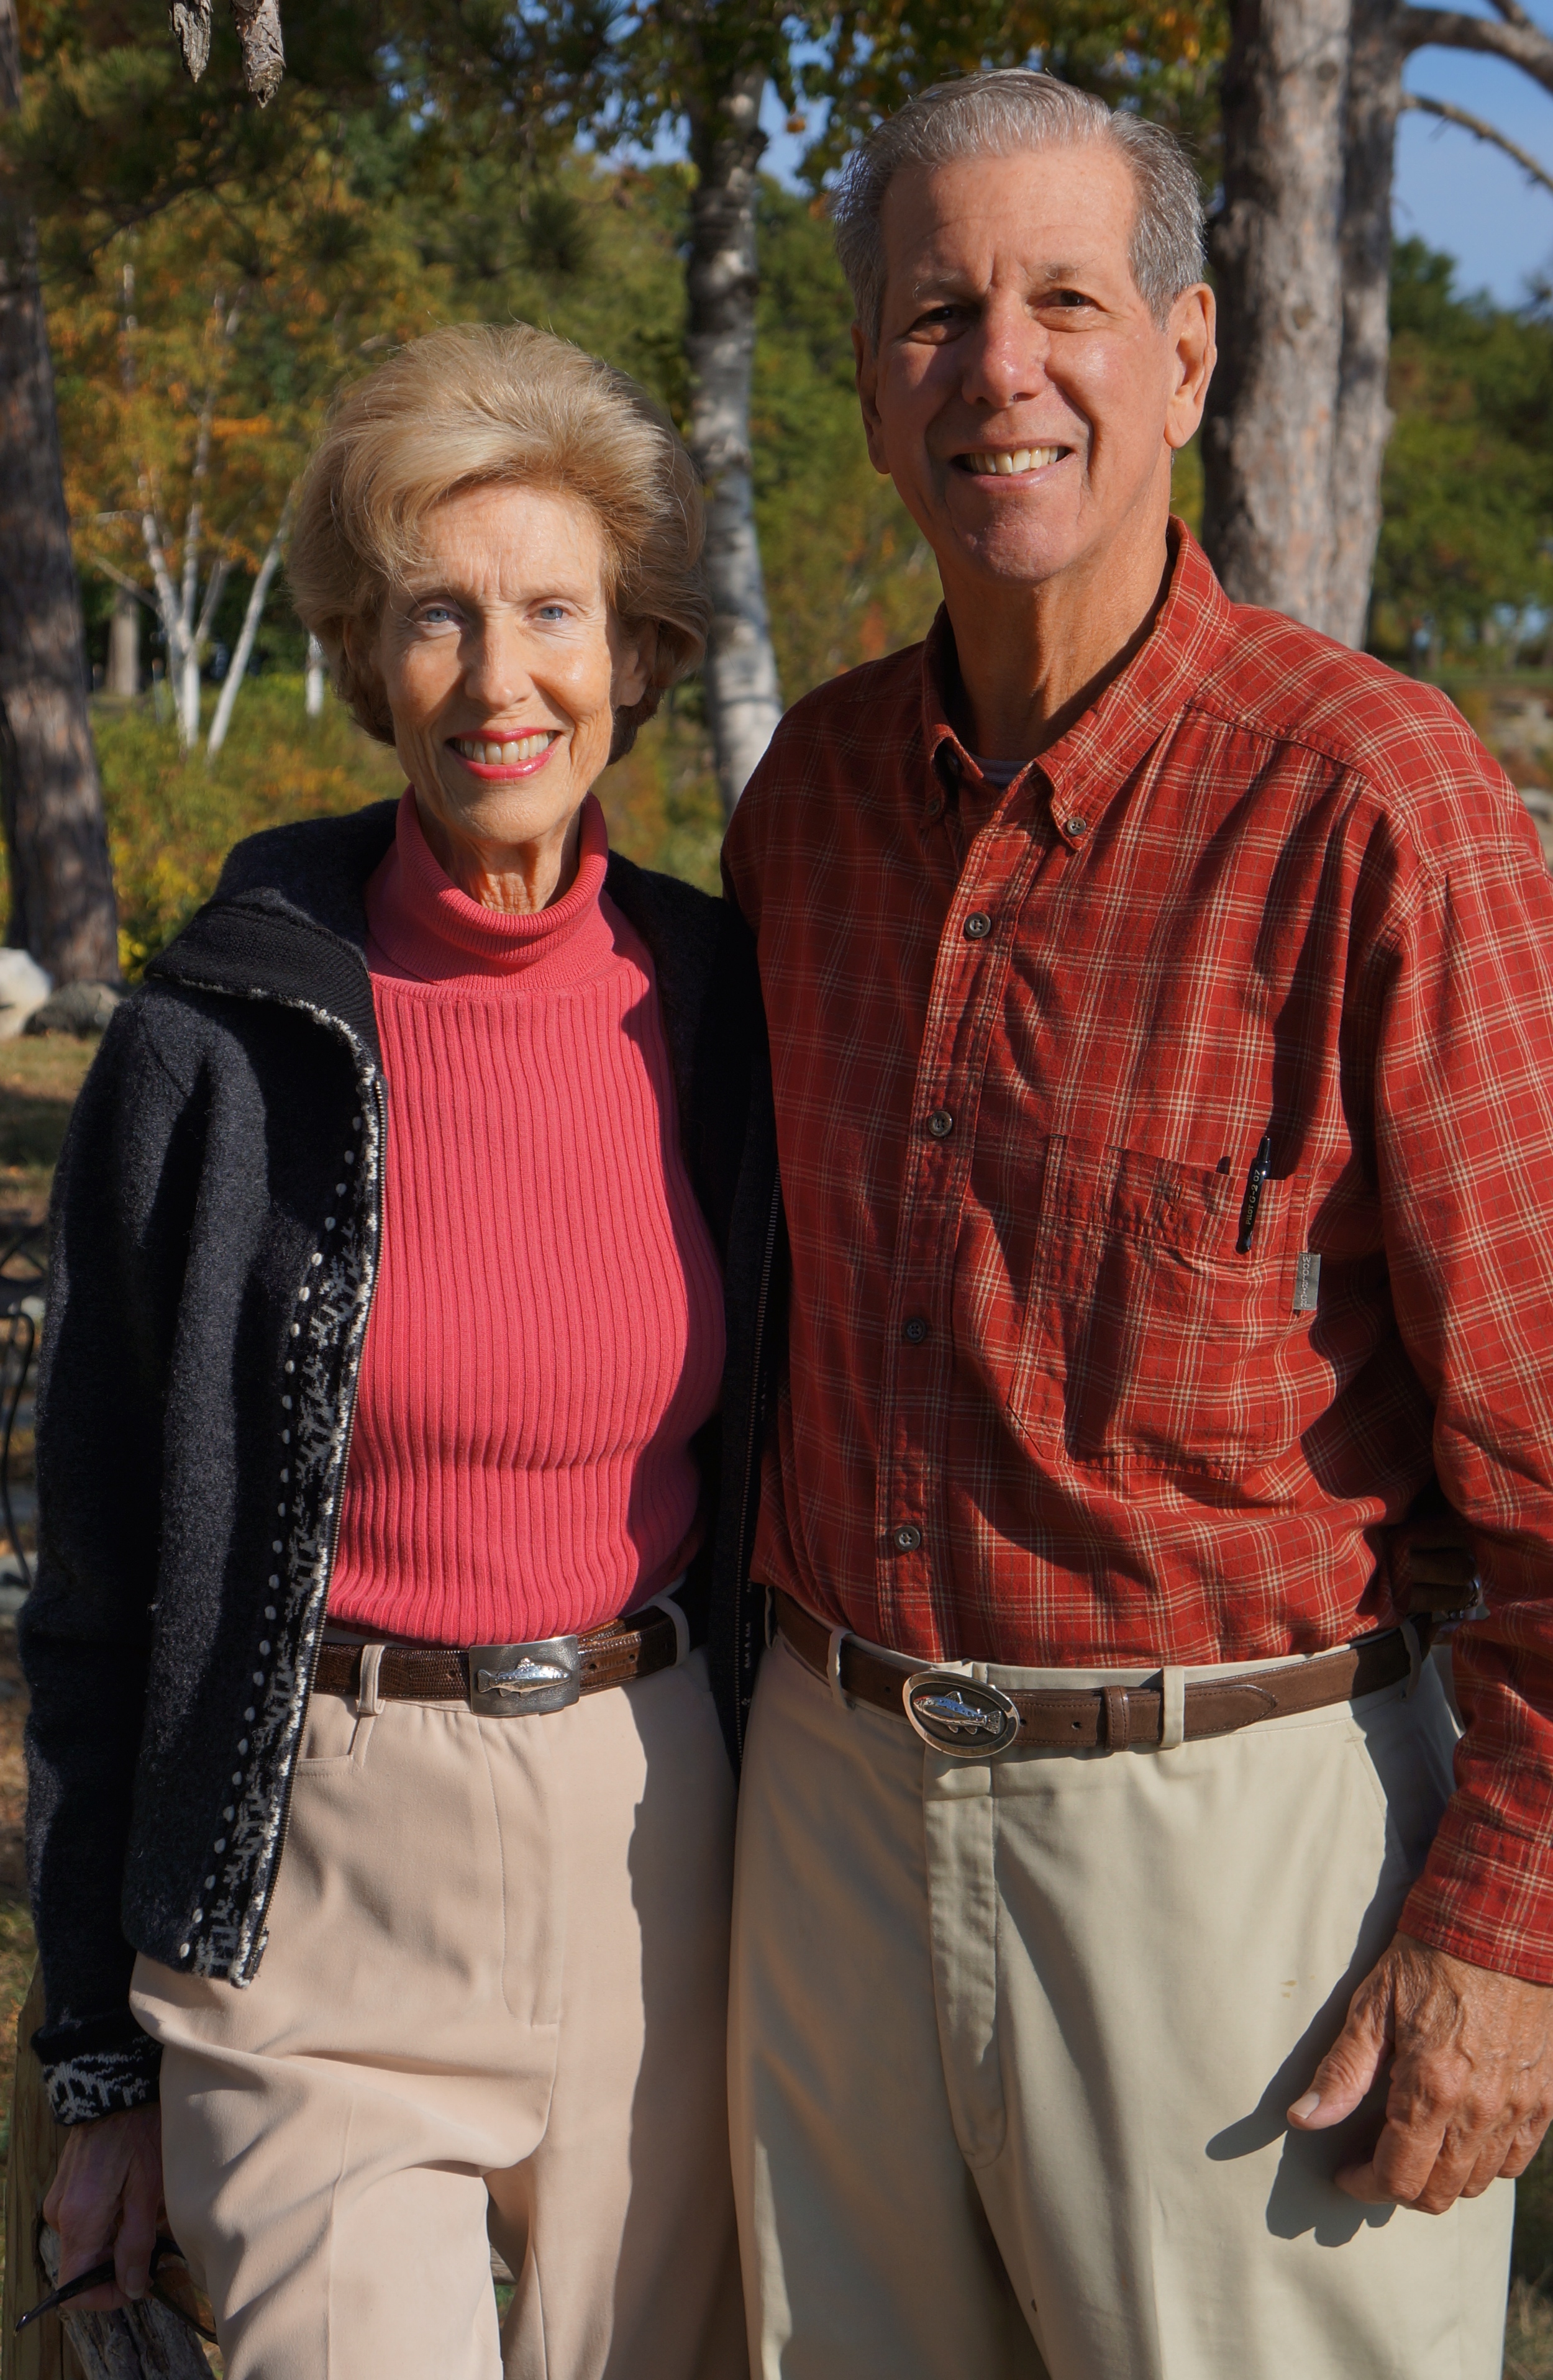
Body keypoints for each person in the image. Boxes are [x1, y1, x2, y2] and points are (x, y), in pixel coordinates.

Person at [721, 68, 1553, 2380]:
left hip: (1227, 1862)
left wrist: (1507, 1936)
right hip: (831, 1816)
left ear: (1185, 355)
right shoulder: (807, 810)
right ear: (874, 384)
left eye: (1065, 301)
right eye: (933, 312)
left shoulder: (1375, 804)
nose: (1000, 367)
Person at [24, 321, 775, 2380]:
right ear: (366, 659)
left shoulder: (721, 1004)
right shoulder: (214, 1042)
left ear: (633, 652)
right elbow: (93, 1584)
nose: (503, 677)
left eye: (555, 614)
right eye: (438, 618)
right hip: (313, 1873)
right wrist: (94, 2065)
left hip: (668, 1847)